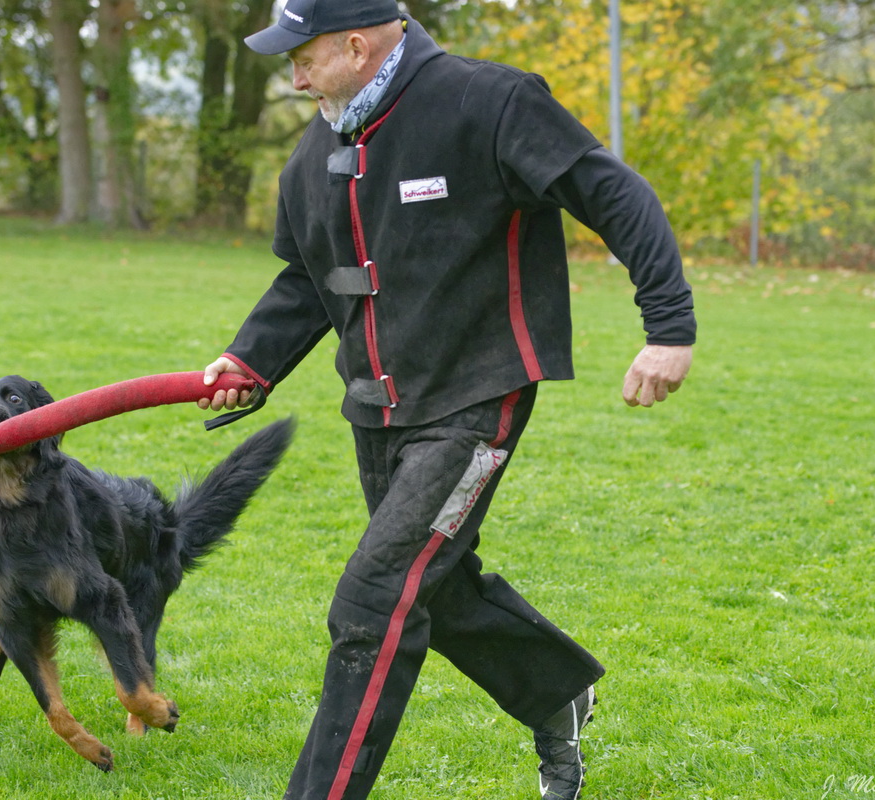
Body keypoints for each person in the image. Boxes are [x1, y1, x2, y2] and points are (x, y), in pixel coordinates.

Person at [199, 1, 695, 797]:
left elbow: (612, 192)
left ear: (356, 45)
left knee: (373, 602)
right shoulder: (314, 153)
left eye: (303, 56)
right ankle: (557, 691)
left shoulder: (488, 102)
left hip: (475, 395)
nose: (292, 77)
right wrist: (248, 357)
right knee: (440, 587)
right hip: (377, 408)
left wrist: (668, 325)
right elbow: (306, 276)